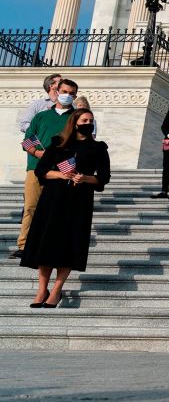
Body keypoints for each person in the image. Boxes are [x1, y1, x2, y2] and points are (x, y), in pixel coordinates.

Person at [21, 108, 110, 308]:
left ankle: (56, 290)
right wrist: (62, 175)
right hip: (53, 199)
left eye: (91, 120)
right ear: (75, 121)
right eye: (85, 120)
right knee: (46, 242)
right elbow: (41, 171)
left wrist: (85, 178)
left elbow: (103, 178)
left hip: (79, 201)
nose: (88, 123)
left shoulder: (98, 148)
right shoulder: (57, 144)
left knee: (70, 243)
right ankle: (42, 289)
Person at [14, 78, 78, 259]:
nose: (67, 96)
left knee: (57, 209)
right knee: (31, 207)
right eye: (64, 92)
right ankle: (24, 245)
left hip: (63, 169)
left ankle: (48, 244)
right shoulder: (41, 116)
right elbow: (27, 140)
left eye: (72, 93)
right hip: (36, 167)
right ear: (57, 92)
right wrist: (38, 153)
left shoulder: (76, 117)